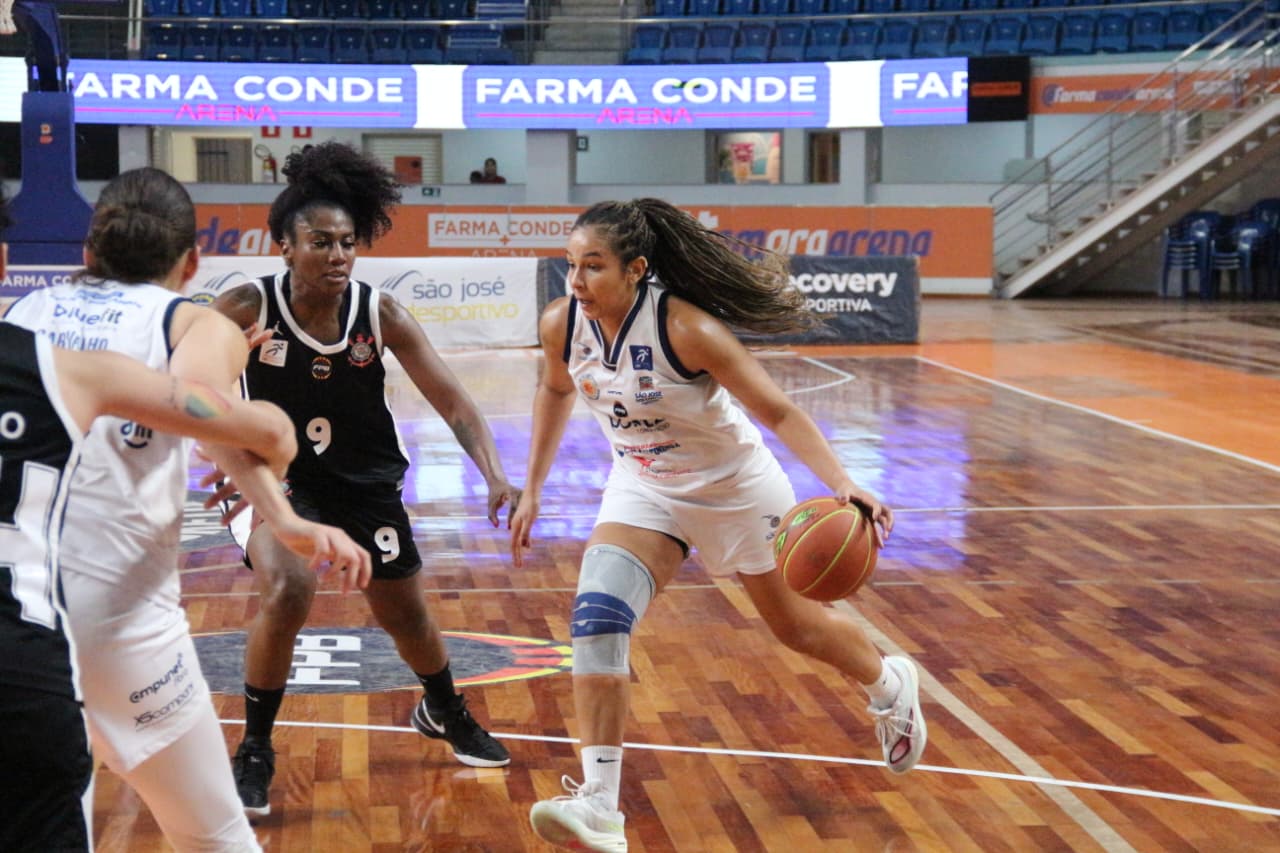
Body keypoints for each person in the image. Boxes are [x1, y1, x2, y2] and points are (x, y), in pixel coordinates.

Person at [510, 199, 928, 852]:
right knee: (597, 619)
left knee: (797, 628)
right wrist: (532, 487)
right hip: (644, 487)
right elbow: (557, 390)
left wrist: (843, 481)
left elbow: (778, 410)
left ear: (635, 269)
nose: (577, 280)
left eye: (593, 265)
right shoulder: (562, 324)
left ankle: (889, 682)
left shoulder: (687, 328)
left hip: (735, 489)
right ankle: (600, 805)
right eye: (571, 265)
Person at [4, 168, 373, 853]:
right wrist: (278, 477)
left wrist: (281, 517)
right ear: (193, 260)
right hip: (118, 627)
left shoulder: (22, 314)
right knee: (216, 837)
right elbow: (210, 413)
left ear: (87, 251)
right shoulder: (192, 321)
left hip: (18, 609)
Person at [210, 141, 521, 817]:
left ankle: (443, 708)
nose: (338, 255)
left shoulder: (379, 313)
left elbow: (454, 401)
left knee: (406, 615)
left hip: (365, 482)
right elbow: (183, 378)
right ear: (285, 247)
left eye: (347, 243)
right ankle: (255, 748)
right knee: (289, 588)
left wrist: (496, 475)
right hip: (279, 483)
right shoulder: (244, 305)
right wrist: (221, 439)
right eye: (320, 242)